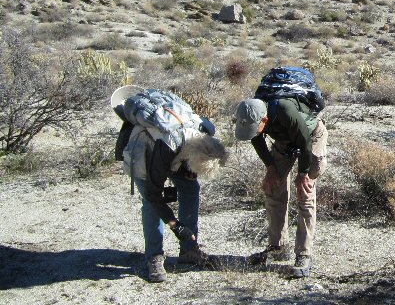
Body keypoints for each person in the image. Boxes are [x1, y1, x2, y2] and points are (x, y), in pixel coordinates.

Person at [111, 85, 228, 283]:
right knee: (151, 205)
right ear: (192, 158)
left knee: (191, 189)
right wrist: (175, 225)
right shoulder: (167, 145)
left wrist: (190, 172)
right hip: (145, 154)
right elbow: (153, 194)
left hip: (179, 155)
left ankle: (189, 250)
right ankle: (154, 257)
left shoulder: (203, 133)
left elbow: (195, 161)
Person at [234, 95, 328, 278]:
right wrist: (271, 169)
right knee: (274, 188)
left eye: (255, 128)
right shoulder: (254, 117)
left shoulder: (285, 110)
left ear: (264, 119)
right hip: (285, 140)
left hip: (311, 136)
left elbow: (305, 142)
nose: (252, 132)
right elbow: (256, 138)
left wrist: (303, 174)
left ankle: (304, 254)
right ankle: (278, 247)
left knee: (305, 193)